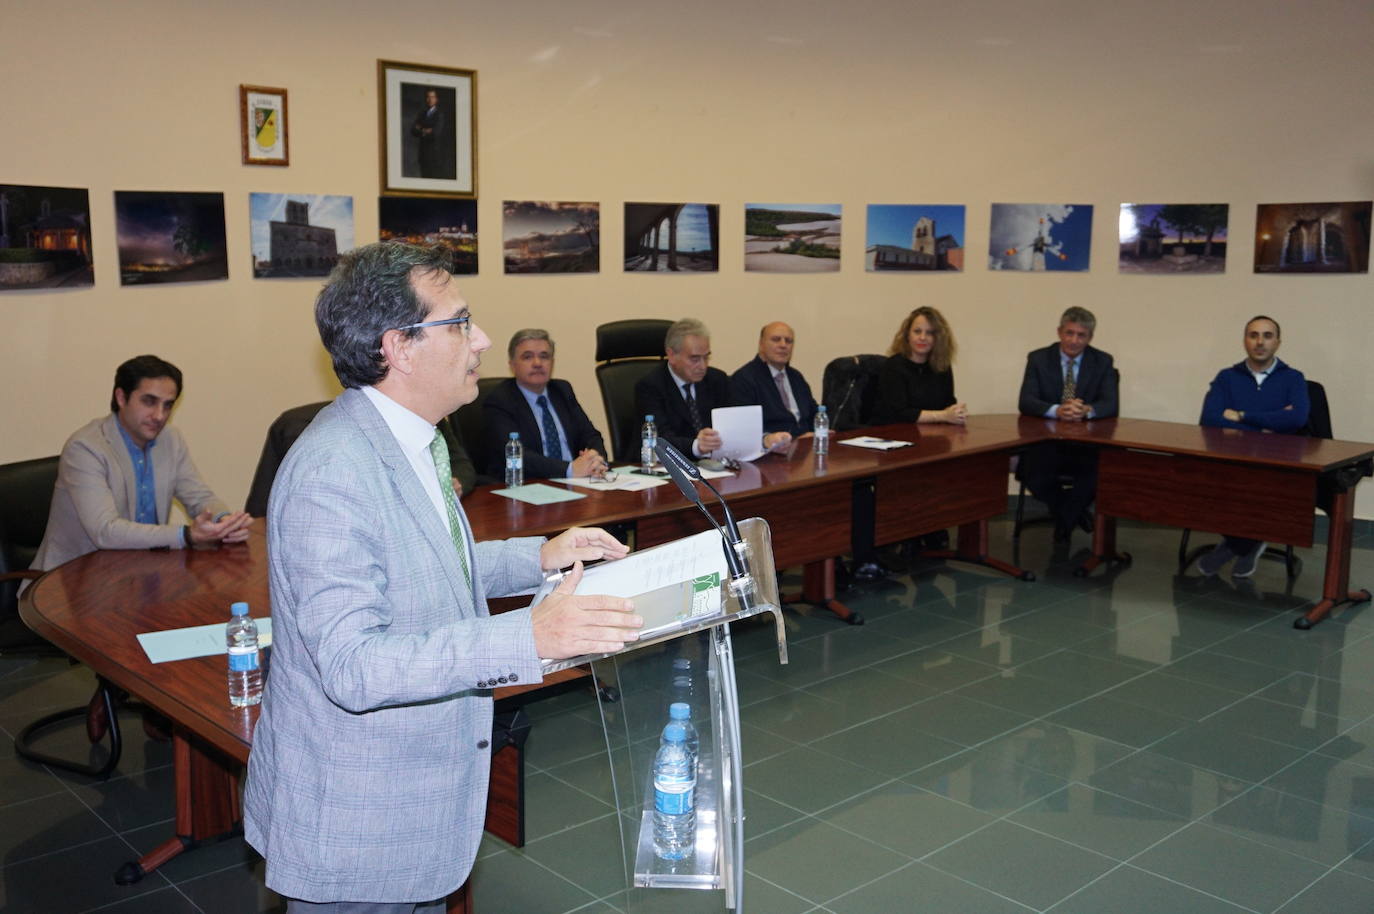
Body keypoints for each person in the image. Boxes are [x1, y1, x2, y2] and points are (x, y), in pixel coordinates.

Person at [243, 242, 642, 912]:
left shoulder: (417, 439)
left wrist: (539, 555)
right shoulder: (332, 471)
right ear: (398, 346)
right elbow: (353, 666)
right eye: (459, 323)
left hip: (416, 810)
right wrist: (528, 636)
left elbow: (426, 562)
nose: (481, 340)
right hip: (358, 827)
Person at [31, 354, 252, 574]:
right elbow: (105, 531)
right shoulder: (86, 448)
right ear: (121, 397)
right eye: (149, 401)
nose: (159, 415)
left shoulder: (170, 440)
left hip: (138, 574)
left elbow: (200, 497)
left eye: (168, 405)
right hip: (69, 584)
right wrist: (185, 535)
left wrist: (223, 522)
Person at [1197, 315, 1309, 577]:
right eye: (1253, 335)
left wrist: (1242, 416)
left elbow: (1297, 418)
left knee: (1263, 488)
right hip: (1231, 459)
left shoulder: (1293, 378)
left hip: (1277, 463)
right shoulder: (1227, 377)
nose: (1260, 342)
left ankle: (1235, 546)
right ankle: (1251, 541)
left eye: (1267, 336)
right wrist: (1268, 426)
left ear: (1278, 342)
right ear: (1245, 341)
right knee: (1203, 483)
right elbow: (1210, 418)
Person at [1017, 306, 1119, 541]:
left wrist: (1086, 410)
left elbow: (1110, 404)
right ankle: (1072, 513)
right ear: (1059, 332)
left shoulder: (1102, 361)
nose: (1073, 340)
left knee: (1096, 475)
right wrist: (1057, 410)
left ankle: (1064, 521)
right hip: (1047, 441)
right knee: (1032, 473)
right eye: (1069, 333)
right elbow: (1026, 401)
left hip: (1086, 442)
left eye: (1081, 335)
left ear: (1090, 338)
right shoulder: (1038, 358)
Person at [482, 329, 609, 479]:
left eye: (544, 356)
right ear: (512, 365)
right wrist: (569, 469)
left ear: (552, 363)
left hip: (578, 483)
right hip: (529, 485)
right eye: (527, 357)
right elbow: (516, 455)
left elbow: (591, 435)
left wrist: (594, 457)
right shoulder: (500, 400)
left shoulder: (562, 390)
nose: (537, 363)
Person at [635, 317, 741, 458]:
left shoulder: (718, 380)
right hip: (666, 467)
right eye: (695, 359)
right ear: (672, 355)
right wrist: (697, 445)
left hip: (714, 466)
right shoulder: (650, 387)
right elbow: (660, 439)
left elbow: (734, 425)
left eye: (706, 357)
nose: (703, 366)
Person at [871, 306, 968, 426]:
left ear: (938, 338)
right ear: (907, 335)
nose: (922, 338)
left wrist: (957, 412)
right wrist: (943, 415)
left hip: (931, 433)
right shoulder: (894, 366)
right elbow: (899, 413)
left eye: (930, 333)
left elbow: (948, 403)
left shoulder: (942, 365)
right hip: (894, 434)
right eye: (917, 331)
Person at [729, 321, 818, 441]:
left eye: (789, 341)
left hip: (806, 448)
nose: (783, 345)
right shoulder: (744, 379)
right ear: (761, 344)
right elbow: (745, 431)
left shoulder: (796, 377)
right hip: (771, 452)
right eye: (776, 339)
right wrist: (796, 439)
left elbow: (814, 414)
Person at [410, 88, 445, 178]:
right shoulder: (422, 114)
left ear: (436, 99)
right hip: (422, 154)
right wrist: (426, 130)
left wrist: (421, 129)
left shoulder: (439, 115)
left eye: (432, 97)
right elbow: (413, 131)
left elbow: (435, 133)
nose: (430, 99)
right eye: (428, 97)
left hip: (434, 155)